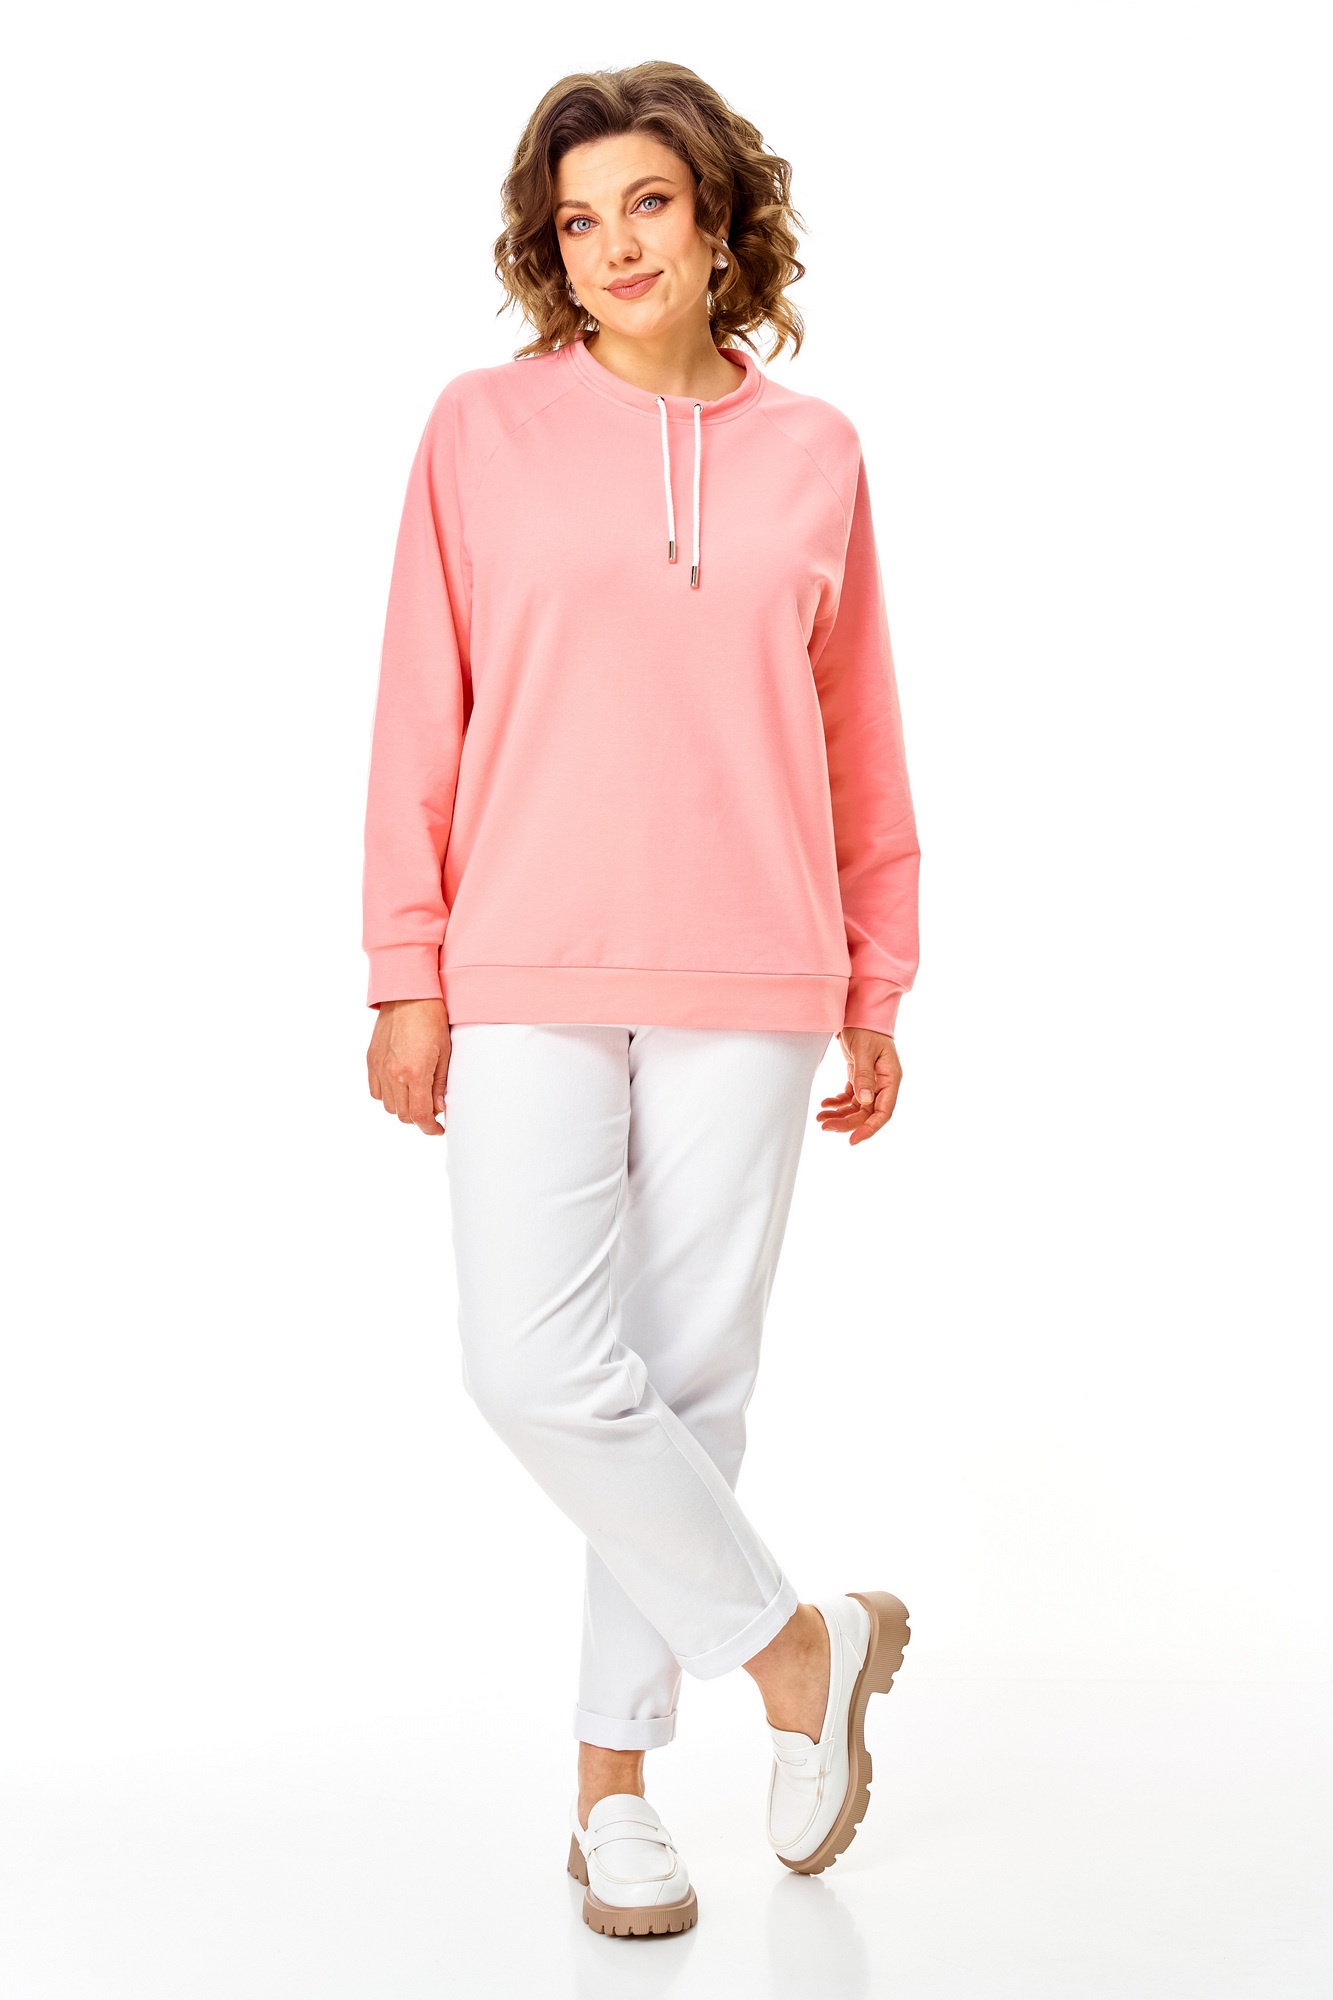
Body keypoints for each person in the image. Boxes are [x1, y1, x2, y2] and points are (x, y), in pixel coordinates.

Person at [361, 61, 920, 1939]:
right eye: (578, 218)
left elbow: (858, 739)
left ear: (719, 219)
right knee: (530, 1365)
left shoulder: (815, 451)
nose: (613, 246)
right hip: (523, 957)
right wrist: (405, 967)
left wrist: (877, 975)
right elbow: (416, 711)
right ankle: (795, 1651)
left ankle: (613, 1798)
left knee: (685, 1386)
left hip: (756, 965)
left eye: (648, 205)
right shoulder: (480, 430)